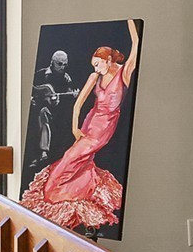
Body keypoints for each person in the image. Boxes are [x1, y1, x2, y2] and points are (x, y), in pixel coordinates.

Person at [21, 20, 139, 231]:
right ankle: (86, 185)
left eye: (98, 64)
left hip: (104, 127)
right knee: (78, 161)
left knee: (70, 158)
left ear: (108, 60)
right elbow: (78, 104)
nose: (95, 68)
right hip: (90, 121)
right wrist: (75, 128)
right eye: (93, 65)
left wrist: (132, 22)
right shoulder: (95, 76)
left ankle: (66, 192)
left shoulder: (124, 73)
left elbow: (136, 45)